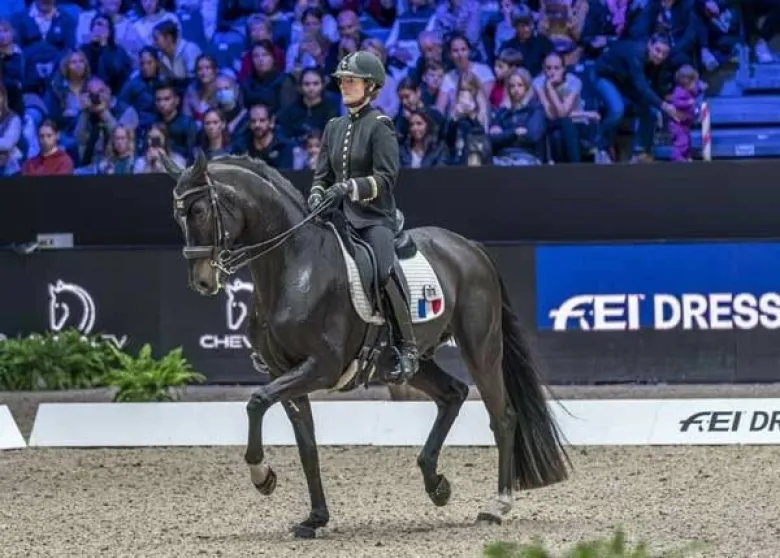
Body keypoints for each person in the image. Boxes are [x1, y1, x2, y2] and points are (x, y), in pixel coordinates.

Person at [306, 50, 419, 383]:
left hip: (373, 218)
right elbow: (321, 175)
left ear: (370, 86)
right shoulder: (333, 126)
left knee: (383, 270)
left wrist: (350, 188)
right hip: (337, 219)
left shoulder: (380, 126)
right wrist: (317, 193)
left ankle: (408, 347)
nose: (344, 85)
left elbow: (386, 178)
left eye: (351, 80)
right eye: (342, 80)